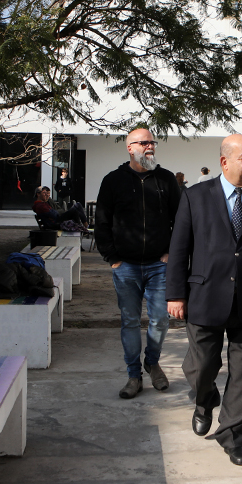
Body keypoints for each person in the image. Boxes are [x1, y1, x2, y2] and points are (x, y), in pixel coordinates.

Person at [166, 134, 242, 466]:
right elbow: (179, 249)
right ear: (224, 162)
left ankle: (233, 435)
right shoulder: (195, 196)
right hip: (203, 297)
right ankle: (204, 400)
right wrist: (175, 293)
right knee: (201, 365)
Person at [95, 128, 182, 400]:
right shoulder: (113, 181)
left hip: (159, 265)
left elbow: (180, 220)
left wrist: (170, 252)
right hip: (126, 266)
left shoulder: (166, 179)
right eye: (144, 143)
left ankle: (152, 361)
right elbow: (102, 222)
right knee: (130, 321)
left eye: (152, 142)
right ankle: (134, 375)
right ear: (129, 147)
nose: (150, 147)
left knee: (160, 319)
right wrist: (113, 258)